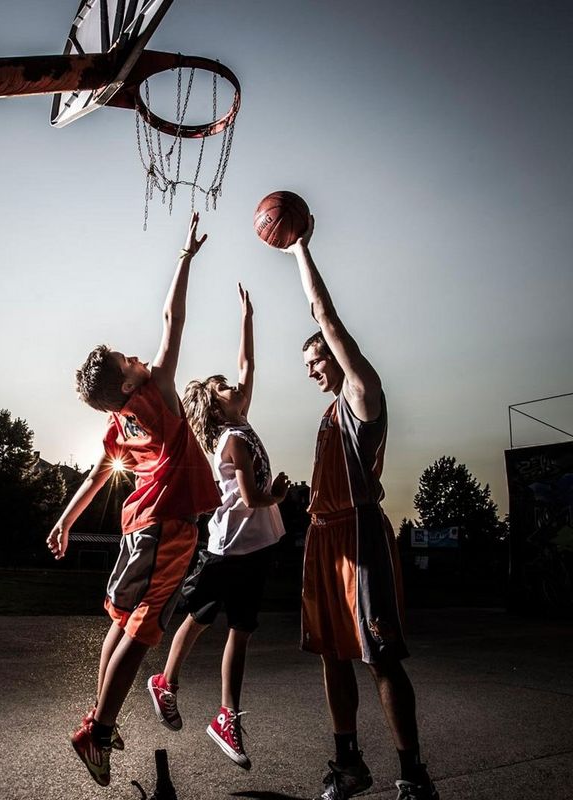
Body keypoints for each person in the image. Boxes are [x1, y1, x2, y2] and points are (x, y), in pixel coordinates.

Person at [46, 211, 221, 788]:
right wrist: (184, 259)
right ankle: (97, 730)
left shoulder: (119, 422)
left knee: (121, 623)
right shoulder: (156, 395)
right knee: (143, 631)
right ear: (126, 382)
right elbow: (173, 320)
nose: (134, 355)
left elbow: (99, 477)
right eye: (126, 359)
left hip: (135, 527)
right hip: (168, 527)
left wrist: (65, 522)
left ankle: (99, 718)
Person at [286, 216, 439, 800]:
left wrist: (299, 250)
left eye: (317, 362)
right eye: (307, 368)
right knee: (331, 652)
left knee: (380, 657)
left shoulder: (361, 393)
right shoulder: (329, 412)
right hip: (324, 538)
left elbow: (325, 317)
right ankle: (348, 765)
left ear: (338, 356)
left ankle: (412, 772)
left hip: (360, 538)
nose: (313, 372)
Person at [146, 283, 289, 771]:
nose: (237, 386)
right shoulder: (232, 439)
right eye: (226, 386)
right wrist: (282, 496)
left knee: (241, 630)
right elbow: (251, 500)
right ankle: (165, 681)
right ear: (216, 403)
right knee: (201, 618)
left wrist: (248, 318)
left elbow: (248, 367)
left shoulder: (240, 420)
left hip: (259, 544)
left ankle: (227, 716)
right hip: (229, 546)